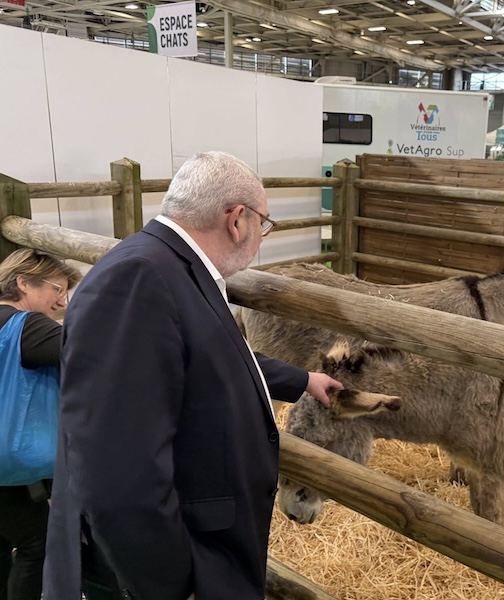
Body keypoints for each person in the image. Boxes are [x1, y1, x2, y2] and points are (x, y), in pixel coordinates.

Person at [44, 151, 343, 599]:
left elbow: (201, 355)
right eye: (264, 223)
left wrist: (302, 380)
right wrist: (175, 582)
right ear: (236, 219)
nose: (261, 236)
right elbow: (121, 475)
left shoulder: (169, 265)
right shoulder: (138, 279)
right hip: (163, 569)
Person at [0, 249, 81, 600]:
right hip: (10, 467)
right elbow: (87, 352)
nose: (61, 301)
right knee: (37, 545)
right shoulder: (27, 326)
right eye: (56, 289)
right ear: (23, 283)